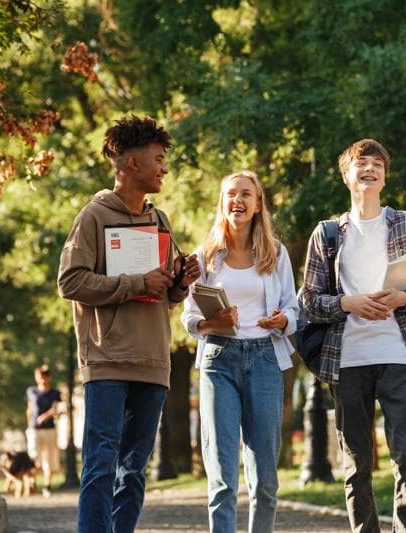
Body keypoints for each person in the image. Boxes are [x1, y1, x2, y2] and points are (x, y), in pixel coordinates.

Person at [57, 115, 200, 532]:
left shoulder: (161, 221)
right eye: (157, 159)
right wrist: (136, 281)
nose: (164, 168)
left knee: (134, 469)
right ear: (130, 163)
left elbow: (166, 296)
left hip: (153, 360)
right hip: (107, 359)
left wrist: (179, 282)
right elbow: (70, 282)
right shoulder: (93, 217)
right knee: (101, 464)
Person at [300, 139, 406, 532]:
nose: (370, 169)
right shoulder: (327, 234)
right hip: (348, 361)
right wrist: (348, 304)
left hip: (401, 356)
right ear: (346, 174)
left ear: (384, 176)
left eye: (378, 164)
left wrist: (403, 297)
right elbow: (310, 301)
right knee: (356, 463)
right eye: (361, 164)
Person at [180, 170, 298, 533]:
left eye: (246, 194)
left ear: (258, 203)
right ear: (222, 203)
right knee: (222, 473)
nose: (238, 200)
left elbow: (294, 310)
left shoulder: (276, 253)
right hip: (219, 360)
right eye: (232, 194)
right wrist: (212, 324)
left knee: (265, 477)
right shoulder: (206, 256)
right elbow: (188, 317)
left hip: (264, 360)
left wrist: (282, 321)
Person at [26, 365, 61, 498]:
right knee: (34, 457)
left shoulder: (55, 393)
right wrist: (29, 424)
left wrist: (44, 417)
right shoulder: (31, 391)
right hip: (34, 430)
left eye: (44, 376)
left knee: (49, 460)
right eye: (39, 377)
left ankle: (47, 486)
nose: (42, 379)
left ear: (48, 377)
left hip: (49, 430)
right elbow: (29, 409)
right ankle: (32, 483)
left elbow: (55, 409)